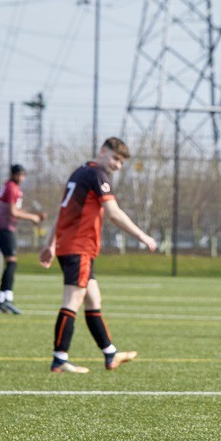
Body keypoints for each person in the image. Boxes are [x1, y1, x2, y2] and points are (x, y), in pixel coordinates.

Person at [38, 137, 156, 374]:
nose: (117, 165)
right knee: (72, 300)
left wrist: (50, 244)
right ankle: (60, 358)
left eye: (121, 162)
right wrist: (143, 236)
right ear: (103, 151)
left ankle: (110, 353)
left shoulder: (79, 173)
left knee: (93, 299)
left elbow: (62, 212)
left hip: (72, 246)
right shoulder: (96, 175)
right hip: (78, 247)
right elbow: (113, 212)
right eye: (115, 158)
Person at [0, 163, 46, 315]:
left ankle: (1, 299)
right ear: (13, 175)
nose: (21, 178)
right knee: (12, 262)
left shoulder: (12, 187)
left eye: (23, 175)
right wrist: (32, 217)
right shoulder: (11, 187)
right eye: (19, 175)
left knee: (11, 262)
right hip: (4, 227)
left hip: (5, 227)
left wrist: (33, 215)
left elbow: (15, 209)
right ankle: (5, 299)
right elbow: (13, 212)